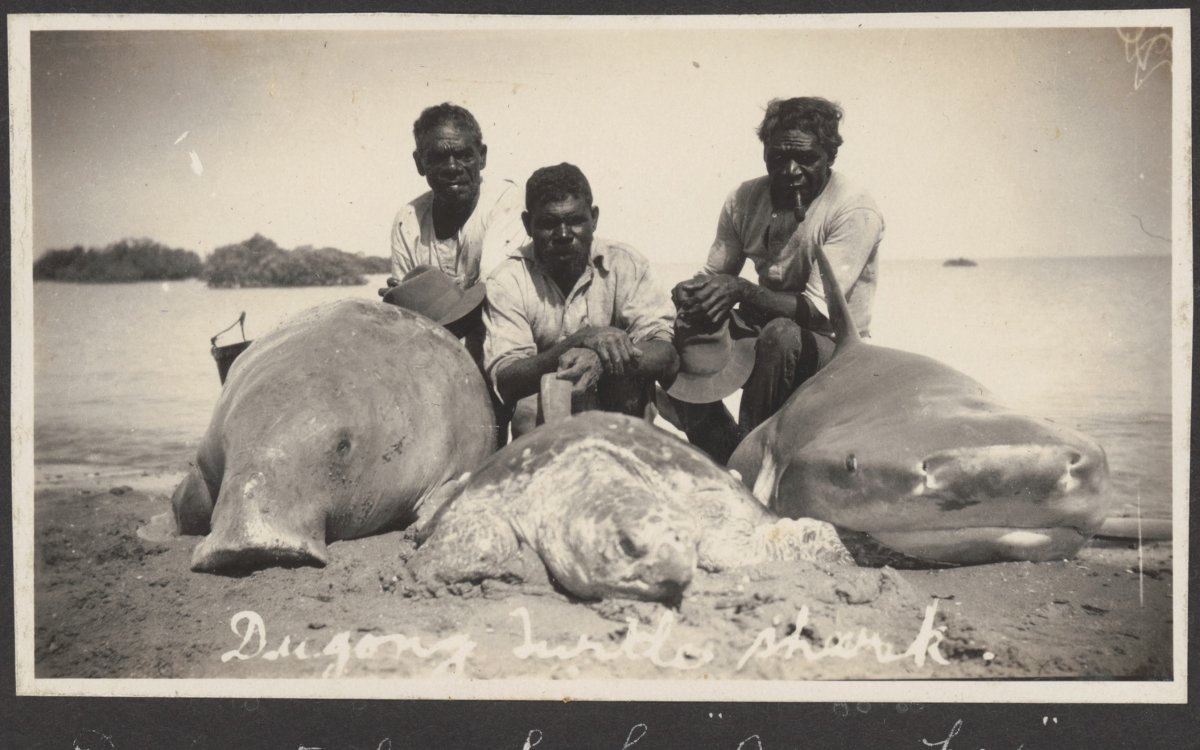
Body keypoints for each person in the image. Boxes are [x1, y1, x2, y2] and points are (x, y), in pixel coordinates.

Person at [667, 96, 885, 463]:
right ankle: (725, 451)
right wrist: (691, 294)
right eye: (779, 157)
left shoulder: (853, 208)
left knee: (781, 336)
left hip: (837, 349)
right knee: (669, 341)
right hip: (765, 329)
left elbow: (817, 311)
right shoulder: (744, 198)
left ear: (830, 157)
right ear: (764, 153)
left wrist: (738, 290)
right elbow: (715, 275)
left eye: (806, 158)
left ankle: (755, 460)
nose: (791, 171)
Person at [483, 163, 679, 438]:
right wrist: (580, 340)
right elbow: (506, 380)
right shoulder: (508, 279)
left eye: (575, 220)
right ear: (527, 225)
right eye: (549, 224)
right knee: (528, 407)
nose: (563, 235)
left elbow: (666, 355)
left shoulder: (625, 263)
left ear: (594, 218)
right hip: (547, 420)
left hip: (619, 409)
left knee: (627, 387)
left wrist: (600, 356)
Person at [381, 103, 526, 294]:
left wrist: (417, 295)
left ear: (482, 157)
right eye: (439, 158)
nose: (452, 168)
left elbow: (494, 295)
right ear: (419, 163)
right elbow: (407, 309)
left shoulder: (506, 201)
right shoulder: (408, 219)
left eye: (463, 156)